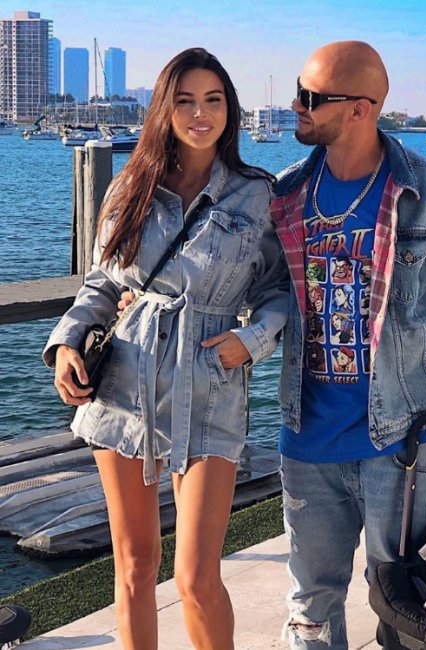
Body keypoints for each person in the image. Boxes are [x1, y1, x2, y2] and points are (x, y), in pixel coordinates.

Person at [43, 48, 288, 650]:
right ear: (164, 109)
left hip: (210, 384)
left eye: (213, 100)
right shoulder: (131, 186)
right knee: (133, 565)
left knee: (196, 577)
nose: (200, 114)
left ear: (230, 109)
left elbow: (281, 290)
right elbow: (101, 284)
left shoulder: (258, 195)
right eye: (185, 101)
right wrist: (67, 342)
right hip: (123, 383)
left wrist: (250, 341)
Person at [270, 41, 426, 649]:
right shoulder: (286, 193)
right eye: (299, 90)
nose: (295, 105)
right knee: (310, 605)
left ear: (361, 108)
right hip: (307, 438)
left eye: (311, 96)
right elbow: (256, 285)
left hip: (405, 438)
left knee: (406, 604)